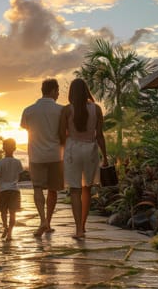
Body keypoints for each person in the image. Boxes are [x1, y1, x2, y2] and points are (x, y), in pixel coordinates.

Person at [59, 78, 108, 240]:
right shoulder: (97, 109)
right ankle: (83, 226)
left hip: (73, 149)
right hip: (90, 149)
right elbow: (99, 135)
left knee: (75, 190)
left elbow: (61, 136)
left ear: (71, 93)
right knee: (87, 188)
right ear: (86, 91)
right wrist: (105, 157)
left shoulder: (67, 110)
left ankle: (78, 228)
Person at [20, 78, 64, 237]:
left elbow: (25, 127)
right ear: (52, 91)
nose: (58, 94)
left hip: (36, 155)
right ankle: (48, 222)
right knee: (53, 189)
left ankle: (43, 221)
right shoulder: (61, 110)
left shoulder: (29, 110)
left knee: (37, 188)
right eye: (57, 91)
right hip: (55, 154)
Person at [0, 138, 23, 241]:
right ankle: (10, 233)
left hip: (3, 191)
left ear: (3, 148)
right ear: (14, 148)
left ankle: (5, 227)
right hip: (15, 190)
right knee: (12, 213)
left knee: (3, 212)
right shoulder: (18, 162)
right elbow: (19, 176)